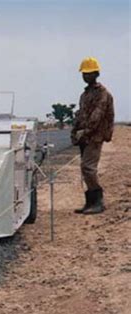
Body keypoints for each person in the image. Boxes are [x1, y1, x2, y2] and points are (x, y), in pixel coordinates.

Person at [71, 56, 114, 215]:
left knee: (88, 168)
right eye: (84, 73)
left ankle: (98, 202)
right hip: (85, 136)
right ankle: (90, 202)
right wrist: (75, 131)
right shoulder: (85, 94)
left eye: (89, 73)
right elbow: (81, 114)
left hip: (95, 136)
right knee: (85, 169)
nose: (85, 76)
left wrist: (86, 131)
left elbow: (97, 115)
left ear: (96, 74)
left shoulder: (102, 94)